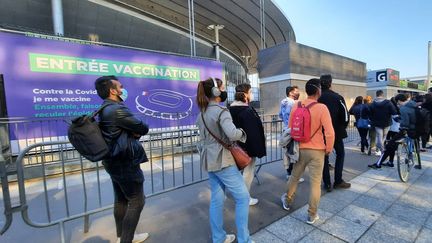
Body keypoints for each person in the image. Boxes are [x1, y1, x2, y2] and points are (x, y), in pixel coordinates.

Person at [196, 78, 253, 243]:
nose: (223, 90)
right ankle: (244, 240)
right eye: (221, 87)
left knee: (216, 198)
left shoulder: (202, 114)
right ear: (216, 92)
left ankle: (219, 237)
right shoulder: (221, 112)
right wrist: (242, 132)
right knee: (242, 198)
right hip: (223, 161)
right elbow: (233, 134)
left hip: (210, 161)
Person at [95, 76, 150, 243]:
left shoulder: (105, 108)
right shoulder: (117, 110)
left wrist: (132, 132)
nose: (122, 89)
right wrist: (135, 131)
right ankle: (126, 239)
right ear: (113, 90)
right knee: (136, 201)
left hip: (114, 161)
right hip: (125, 162)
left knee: (121, 200)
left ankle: (122, 237)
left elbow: (126, 131)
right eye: (120, 86)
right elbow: (142, 127)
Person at [280, 78, 335, 225]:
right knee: (315, 183)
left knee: (294, 177)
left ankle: (287, 201)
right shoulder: (322, 108)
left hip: (299, 148)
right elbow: (329, 132)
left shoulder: (297, 105)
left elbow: (291, 127)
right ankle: (312, 215)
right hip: (317, 151)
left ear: (306, 90)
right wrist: (328, 149)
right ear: (318, 91)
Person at [229, 83, 266, 206]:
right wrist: (258, 150)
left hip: (235, 147)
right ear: (245, 94)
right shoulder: (246, 110)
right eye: (250, 92)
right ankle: (244, 198)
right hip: (248, 148)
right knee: (248, 173)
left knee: (237, 173)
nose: (252, 94)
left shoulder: (230, 109)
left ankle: (238, 195)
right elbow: (253, 133)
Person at [318, 74, 350, 191]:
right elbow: (346, 116)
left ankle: (326, 183)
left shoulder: (318, 98)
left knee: (324, 158)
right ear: (331, 83)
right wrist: (343, 127)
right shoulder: (337, 97)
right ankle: (338, 180)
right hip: (336, 132)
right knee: (340, 154)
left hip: (320, 133)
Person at [369, 93, 417, 169]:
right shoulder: (413, 104)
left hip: (406, 130)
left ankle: (378, 164)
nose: (397, 104)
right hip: (415, 130)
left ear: (399, 101)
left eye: (397, 102)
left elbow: (405, 123)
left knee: (389, 145)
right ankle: (390, 162)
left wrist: (398, 120)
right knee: (392, 145)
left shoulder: (404, 108)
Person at [278, 86, 304, 182]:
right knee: (294, 152)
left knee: (287, 153)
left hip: (285, 129)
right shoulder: (293, 103)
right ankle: (294, 176)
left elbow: (280, 114)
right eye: (296, 91)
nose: (298, 93)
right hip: (293, 129)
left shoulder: (283, 101)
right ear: (290, 93)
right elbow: (294, 115)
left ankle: (289, 174)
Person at [369, 90, 397, 156]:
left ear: (376, 95)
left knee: (379, 136)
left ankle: (381, 150)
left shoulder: (372, 104)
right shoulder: (388, 102)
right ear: (382, 95)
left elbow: (370, 113)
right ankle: (382, 150)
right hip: (387, 122)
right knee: (384, 137)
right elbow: (393, 111)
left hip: (377, 123)